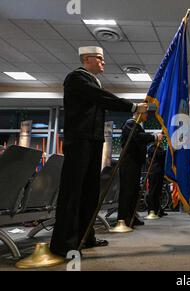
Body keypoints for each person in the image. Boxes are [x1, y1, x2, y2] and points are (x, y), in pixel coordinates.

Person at [50, 46, 148, 257]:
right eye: (100, 59)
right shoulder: (76, 78)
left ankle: (85, 237)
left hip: (93, 141)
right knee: (74, 192)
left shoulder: (93, 81)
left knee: (90, 193)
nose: (104, 63)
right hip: (79, 141)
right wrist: (132, 107)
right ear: (86, 59)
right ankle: (64, 244)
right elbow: (101, 97)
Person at [118, 111, 161, 227]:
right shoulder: (130, 123)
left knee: (133, 192)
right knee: (127, 191)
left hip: (135, 163)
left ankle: (132, 216)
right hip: (128, 163)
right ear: (138, 113)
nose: (147, 116)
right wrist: (154, 136)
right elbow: (138, 137)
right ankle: (123, 218)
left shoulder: (136, 126)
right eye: (145, 113)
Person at [146, 137, 167, 218]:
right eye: (160, 139)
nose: (161, 140)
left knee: (158, 192)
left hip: (159, 172)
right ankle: (151, 210)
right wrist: (169, 151)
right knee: (153, 191)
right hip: (154, 172)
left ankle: (158, 210)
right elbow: (159, 154)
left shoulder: (158, 148)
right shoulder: (151, 148)